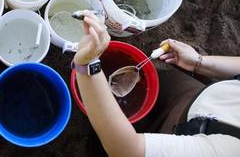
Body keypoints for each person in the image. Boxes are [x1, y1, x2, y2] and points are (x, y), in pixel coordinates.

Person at [73, 11, 240, 156]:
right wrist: (200, 62)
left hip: (190, 135)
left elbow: (128, 150)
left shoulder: (229, 150)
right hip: (200, 97)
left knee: (104, 143)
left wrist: (87, 64)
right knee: (168, 81)